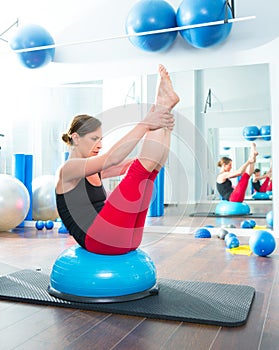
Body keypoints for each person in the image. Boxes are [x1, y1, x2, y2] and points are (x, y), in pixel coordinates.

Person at [55, 64, 180, 255]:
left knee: (150, 171)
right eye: (94, 139)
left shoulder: (93, 169)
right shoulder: (68, 169)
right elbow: (113, 158)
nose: (99, 144)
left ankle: (164, 107)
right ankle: (162, 103)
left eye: (101, 139)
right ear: (76, 137)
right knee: (142, 169)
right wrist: (146, 124)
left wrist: (164, 127)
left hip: (125, 239)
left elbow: (133, 162)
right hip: (99, 240)